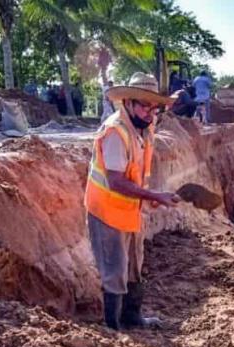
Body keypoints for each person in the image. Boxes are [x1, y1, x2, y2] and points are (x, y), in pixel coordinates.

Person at [85, 72, 180, 330]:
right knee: (115, 270)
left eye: (154, 107)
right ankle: (113, 326)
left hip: (129, 209)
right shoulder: (116, 131)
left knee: (134, 264)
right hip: (106, 211)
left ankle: (132, 316)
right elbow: (115, 181)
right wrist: (153, 196)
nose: (151, 112)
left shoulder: (143, 128)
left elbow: (136, 172)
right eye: (144, 105)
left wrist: (149, 198)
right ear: (127, 103)